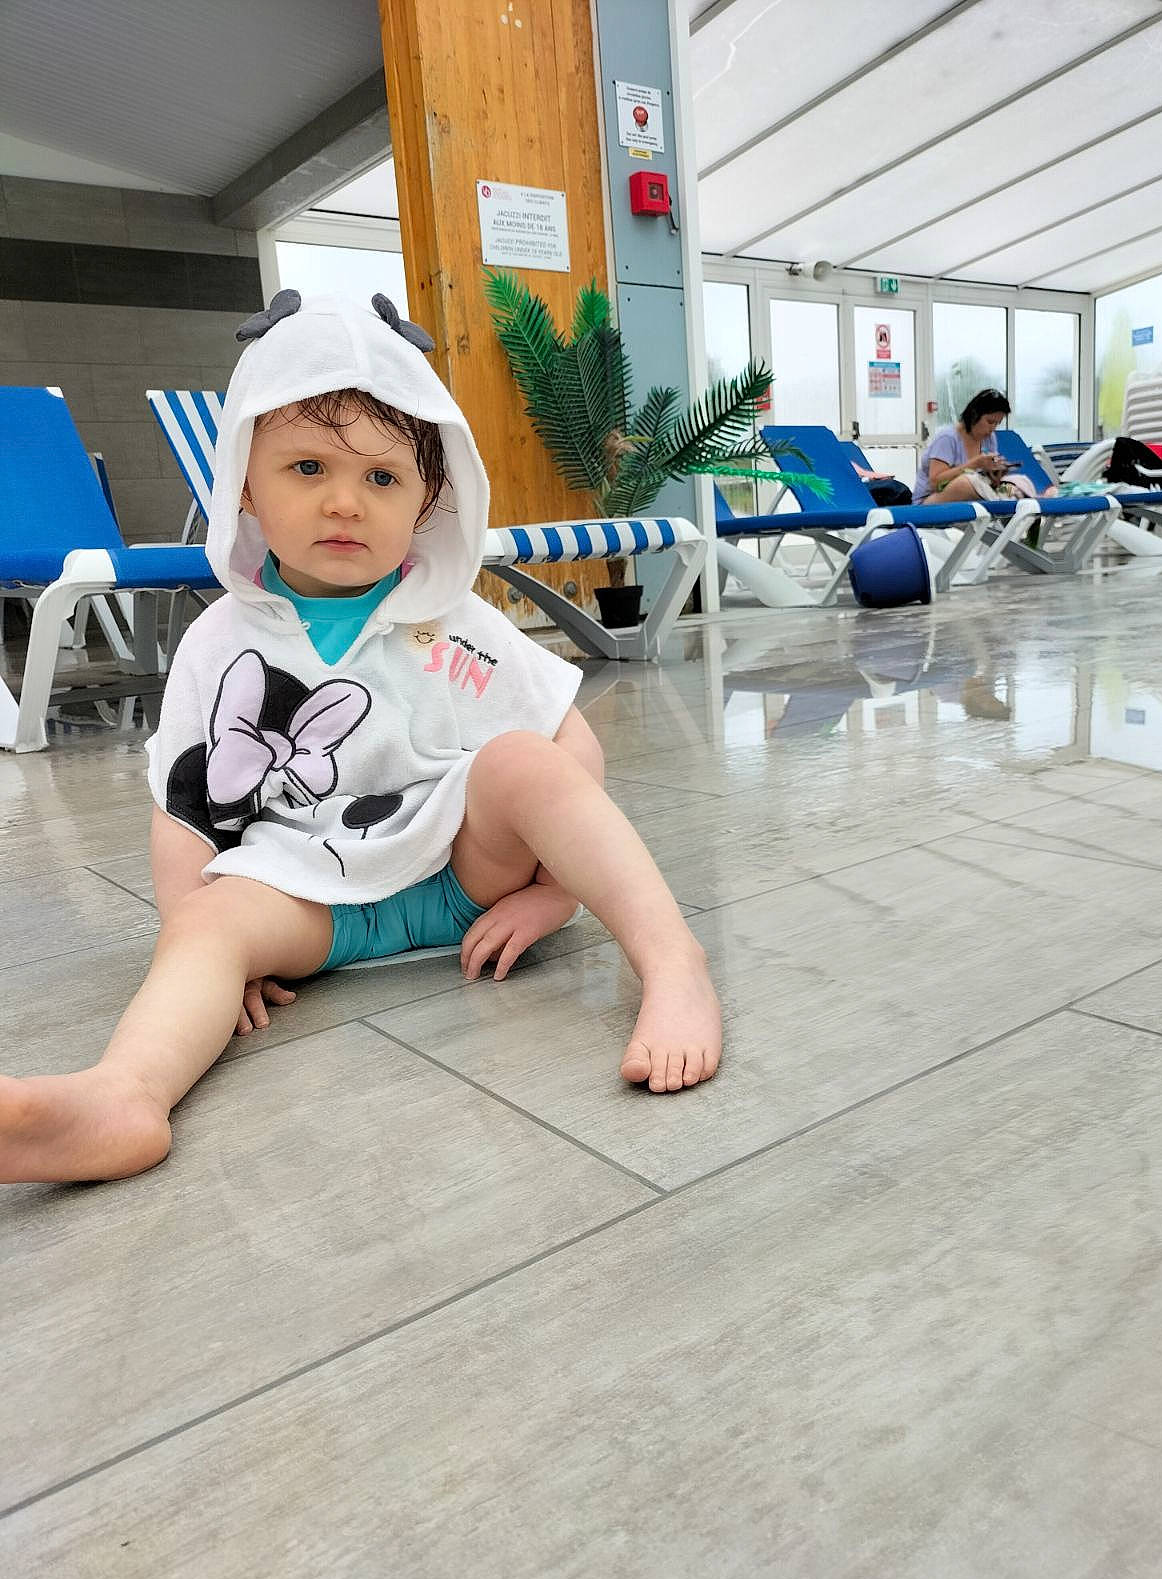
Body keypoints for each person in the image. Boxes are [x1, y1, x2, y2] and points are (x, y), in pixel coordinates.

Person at [0, 291, 722, 1185]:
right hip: (302, 898)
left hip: (461, 874)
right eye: (307, 468)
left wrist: (552, 896)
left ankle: (672, 960)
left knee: (523, 757)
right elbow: (187, 807)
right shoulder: (221, 638)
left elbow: (570, 751)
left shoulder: (456, 620)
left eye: (382, 478)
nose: (345, 502)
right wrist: (205, 949)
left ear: (428, 499)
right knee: (211, 916)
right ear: (248, 488)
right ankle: (122, 1096)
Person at [912, 388, 1038, 505]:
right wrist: (975, 464)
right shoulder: (948, 438)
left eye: (997, 423)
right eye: (989, 422)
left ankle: (1021, 515)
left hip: (976, 492)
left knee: (1019, 484)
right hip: (930, 500)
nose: (992, 428)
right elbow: (935, 483)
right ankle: (1000, 502)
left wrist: (996, 474)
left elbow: (987, 481)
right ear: (974, 415)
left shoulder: (989, 438)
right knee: (966, 483)